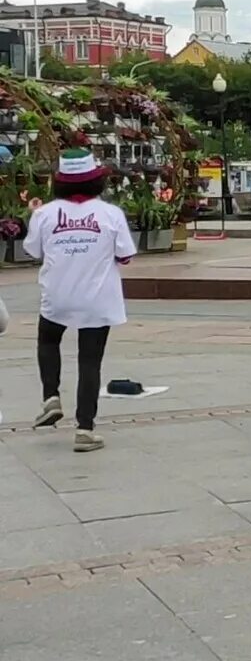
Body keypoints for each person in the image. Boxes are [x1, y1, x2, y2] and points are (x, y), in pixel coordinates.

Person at [24, 149, 137, 452]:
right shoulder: (110, 214)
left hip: (57, 296)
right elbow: (125, 255)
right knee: (90, 360)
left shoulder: (44, 214)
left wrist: (35, 215)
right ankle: (85, 428)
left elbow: (33, 252)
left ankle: (51, 396)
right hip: (97, 299)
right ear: (95, 181)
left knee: (48, 341)